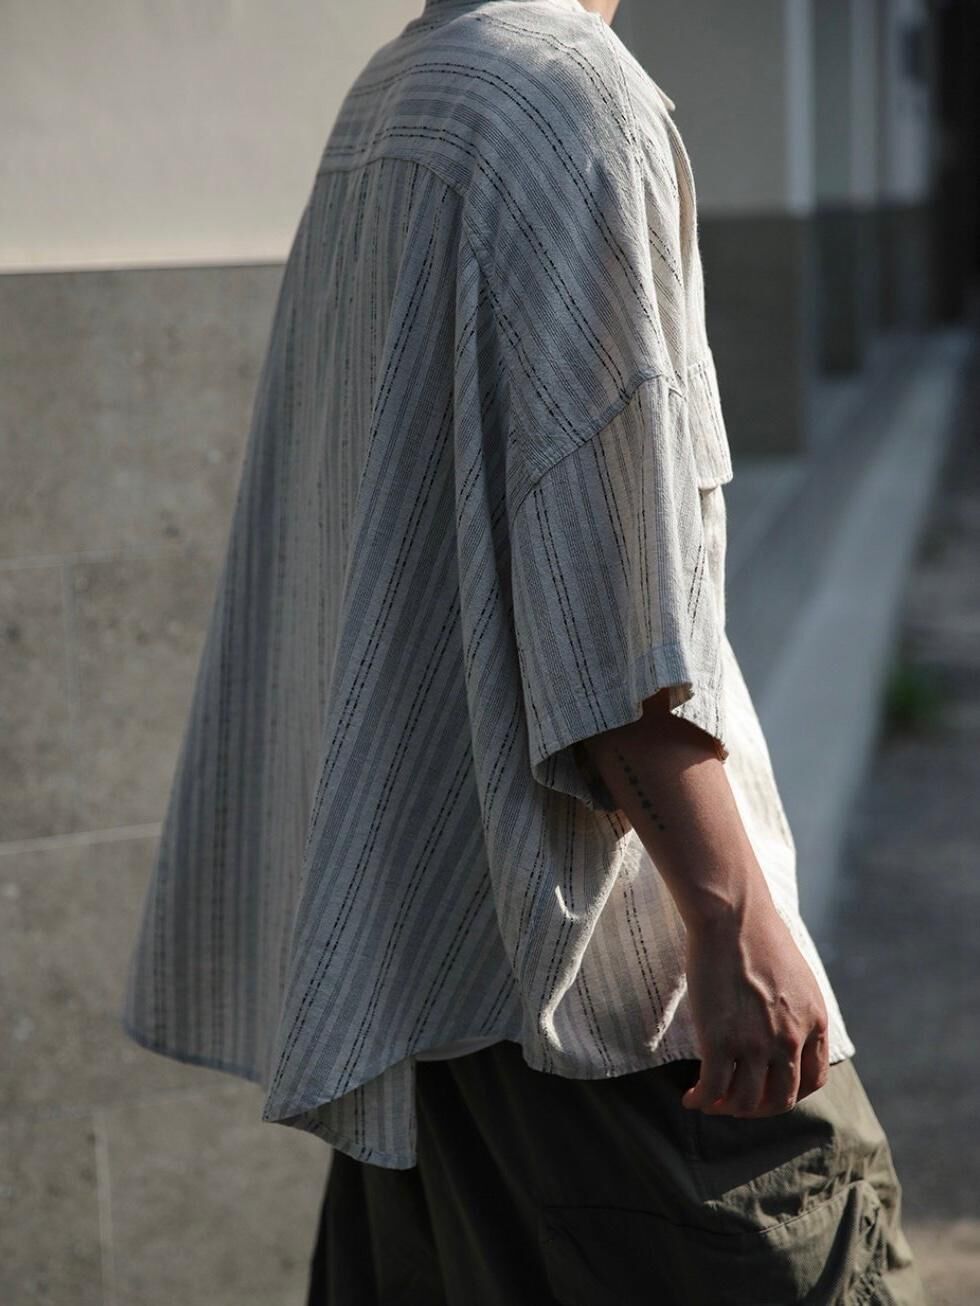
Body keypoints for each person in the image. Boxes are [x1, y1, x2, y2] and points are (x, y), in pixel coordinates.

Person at [121, 0, 926, 1300]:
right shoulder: (574, 102)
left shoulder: (399, 94)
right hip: (603, 996)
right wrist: (730, 918)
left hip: (430, 976)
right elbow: (608, 593)